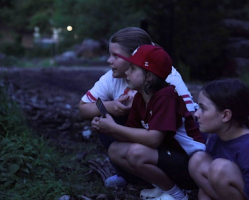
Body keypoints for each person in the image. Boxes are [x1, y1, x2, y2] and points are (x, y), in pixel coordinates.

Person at [79, 27, 199, 187]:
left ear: (136, 56)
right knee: (106, 118)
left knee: (131, 139)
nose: (109, 60)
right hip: (147, 139)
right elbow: (83, 107)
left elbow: (188, 116)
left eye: (116, 56)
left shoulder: (166, 82)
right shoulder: (114, 79)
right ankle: (133, 176)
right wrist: (110, 109)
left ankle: (171, 187)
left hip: (174, 147)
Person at [189, 78, 249, 200]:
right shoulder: (216, 138)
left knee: (219, 168)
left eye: (203, 109)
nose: (196, 114)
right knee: (197, 160)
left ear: (225, 115)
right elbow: (205, 192)